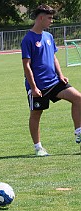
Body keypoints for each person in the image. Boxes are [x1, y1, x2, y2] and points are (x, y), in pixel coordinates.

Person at [21, 4, 81, 156]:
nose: (51, 21)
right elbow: (26, 66)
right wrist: (33, 88)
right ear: (41, 18)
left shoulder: (49, 36)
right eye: (49, 18)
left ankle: (79, 132)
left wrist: (60, 75)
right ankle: (38, 148)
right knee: (36, 115)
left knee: (78, 98)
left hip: (54, 82)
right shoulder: (28, 39)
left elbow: (53, 57)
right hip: (39, 86)